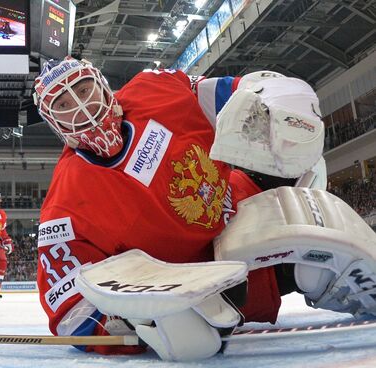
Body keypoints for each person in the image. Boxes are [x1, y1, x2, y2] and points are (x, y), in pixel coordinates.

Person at [33, 57, 376, 360]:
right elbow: (70, 310)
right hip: (212, 273)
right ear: (55, 124)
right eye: (64, 103)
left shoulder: (153, 89)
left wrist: (269, 92)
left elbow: (231, 99)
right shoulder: (66, 205)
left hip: (240, 198)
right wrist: (135, 328)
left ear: (103, 85)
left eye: (84, 88)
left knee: (297, 152)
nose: (81, 105)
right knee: (311, 270)